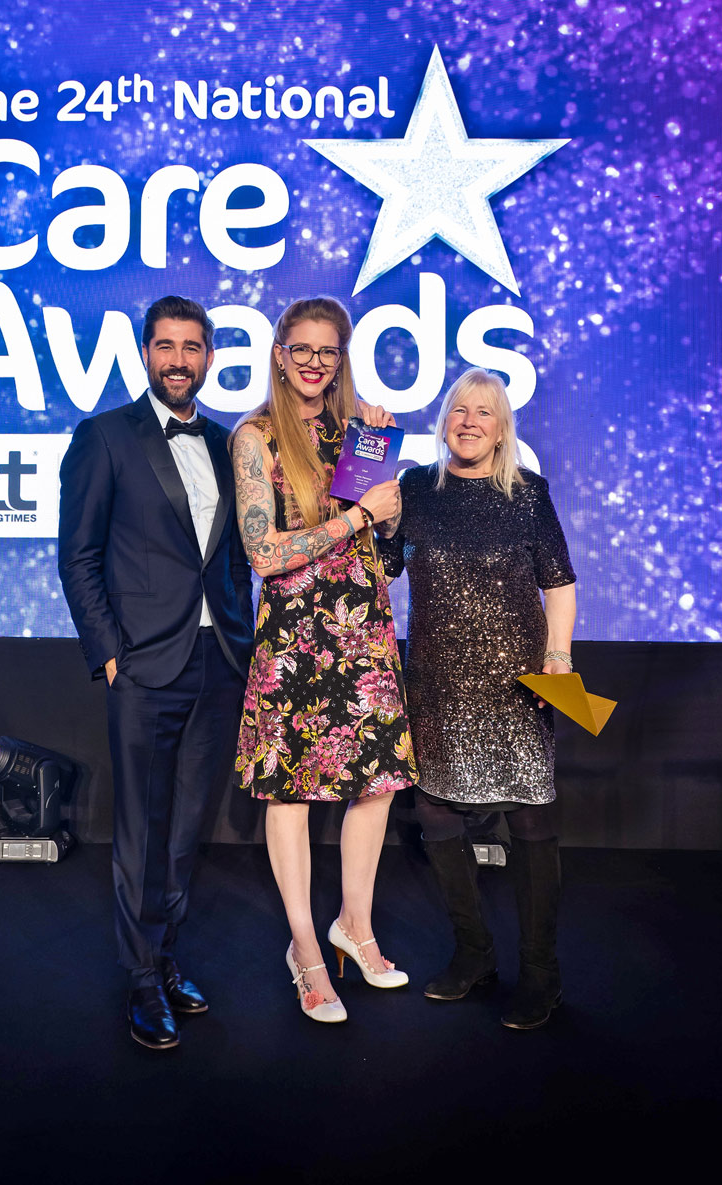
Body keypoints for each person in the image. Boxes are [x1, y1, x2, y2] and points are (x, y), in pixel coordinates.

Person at [58, 296, 254, 1051]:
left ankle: (165, 955)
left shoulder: (229, 442)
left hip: (219, 660)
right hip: (143, 662)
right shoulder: (105, 436)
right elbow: (78, 556)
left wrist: (243, 640)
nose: (178, 360)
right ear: (146, 353)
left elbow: (234, 556)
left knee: (187, 826)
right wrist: (109, 650)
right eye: (165, 346)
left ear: (209, 357)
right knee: (142, 826)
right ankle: (141, 976)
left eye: (191, 347)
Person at [231, 296, 418, 1023]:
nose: (314, 363)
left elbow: (388, 549)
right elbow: (264, 554)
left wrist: (386, 500)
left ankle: (355, 927)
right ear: (280, 355)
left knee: (377, 784)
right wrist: (359, 516)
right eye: (301, 349)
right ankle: (307, 952)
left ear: (341, 358)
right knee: (292, 795)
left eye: (328, 351)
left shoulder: (358, 434)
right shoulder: (255, 437)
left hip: (363, 627)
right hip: (294, 637)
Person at [379, 367, 577, 1030]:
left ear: (501, 429)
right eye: (459, 411)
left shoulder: (527, 493)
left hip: (515, 684)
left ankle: (541, 974)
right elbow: (385, 567)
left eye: (484, 413)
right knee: (436, 811)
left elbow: (559, 584)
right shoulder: (417, 489)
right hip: (435, 682)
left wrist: (558, 659)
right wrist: (380, 523)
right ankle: (474, 956)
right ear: (444, 423)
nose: (469, 422)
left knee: (530, 820)